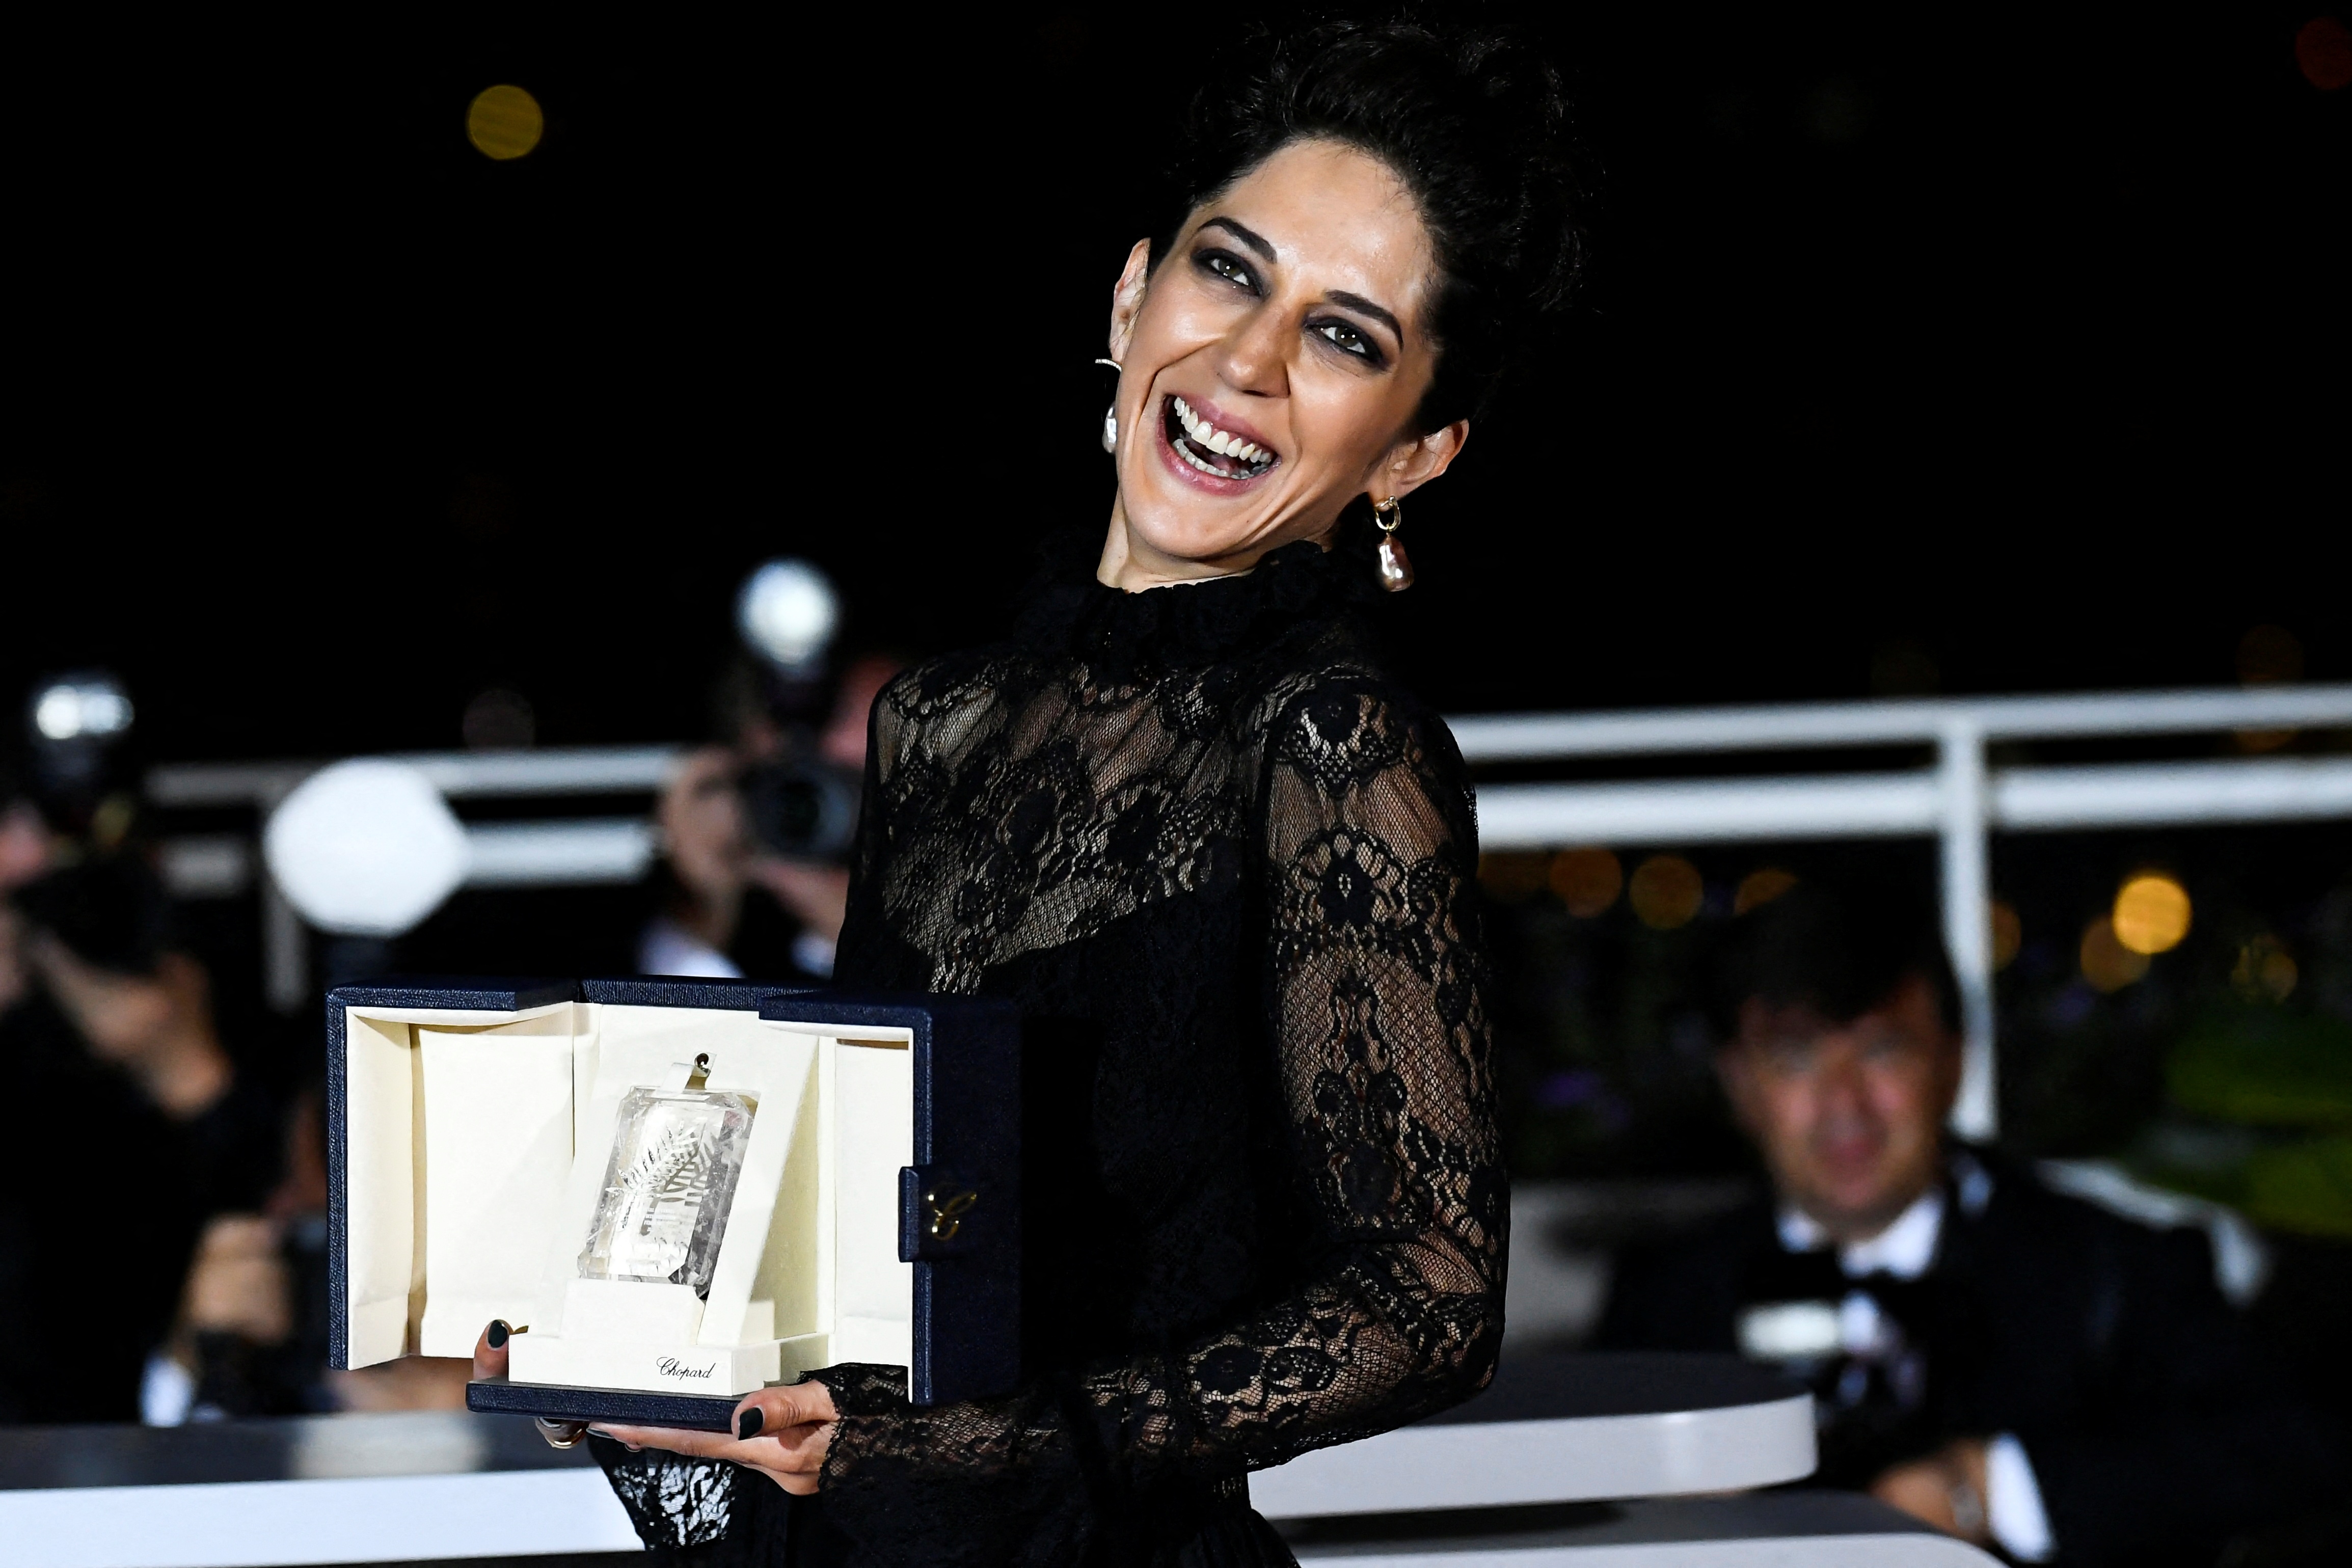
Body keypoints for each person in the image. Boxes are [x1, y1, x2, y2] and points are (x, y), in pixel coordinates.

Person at [477, 18, 1581, 1564]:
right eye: (1231, 270)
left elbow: (1428, 1293)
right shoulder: (935, 720)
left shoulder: (1331, 740)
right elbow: (855, 1251)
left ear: (1413, 454)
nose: (1251, 361)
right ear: (1134, 291)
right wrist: (636, 1358)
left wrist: (1024, 1439)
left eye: (1347, 337)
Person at [1597, 879, 2346, 1567]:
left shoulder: (2110, 1271)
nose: (1844, 1104)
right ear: (1737, 1083)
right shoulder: (1663, 1298)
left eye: (1882, 1048)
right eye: (1796, 1057)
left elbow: (2292, 1448)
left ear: (1953, 1061)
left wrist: (1995, 1490)